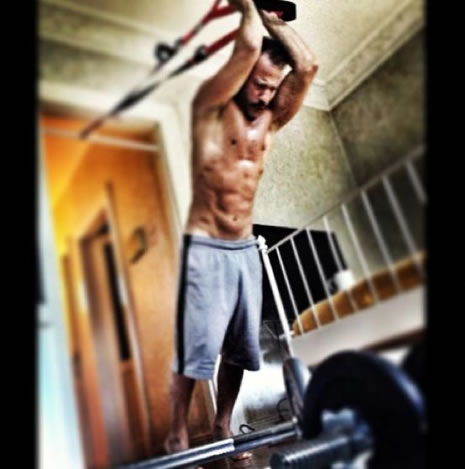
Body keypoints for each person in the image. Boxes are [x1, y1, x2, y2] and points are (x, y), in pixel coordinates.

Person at [164, 0, 318, 461]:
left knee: (240, 350)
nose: (264, 95)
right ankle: (177, 434)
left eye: (272, 87)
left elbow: (307, 65)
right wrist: (250, 6)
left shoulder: (270, 120)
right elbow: (249, 44)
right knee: (195, 349)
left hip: (245, 248)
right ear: (242, 73)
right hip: (206, 244)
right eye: (258, 83)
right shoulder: (210, 107)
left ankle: (222, 424)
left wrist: (273, 21)